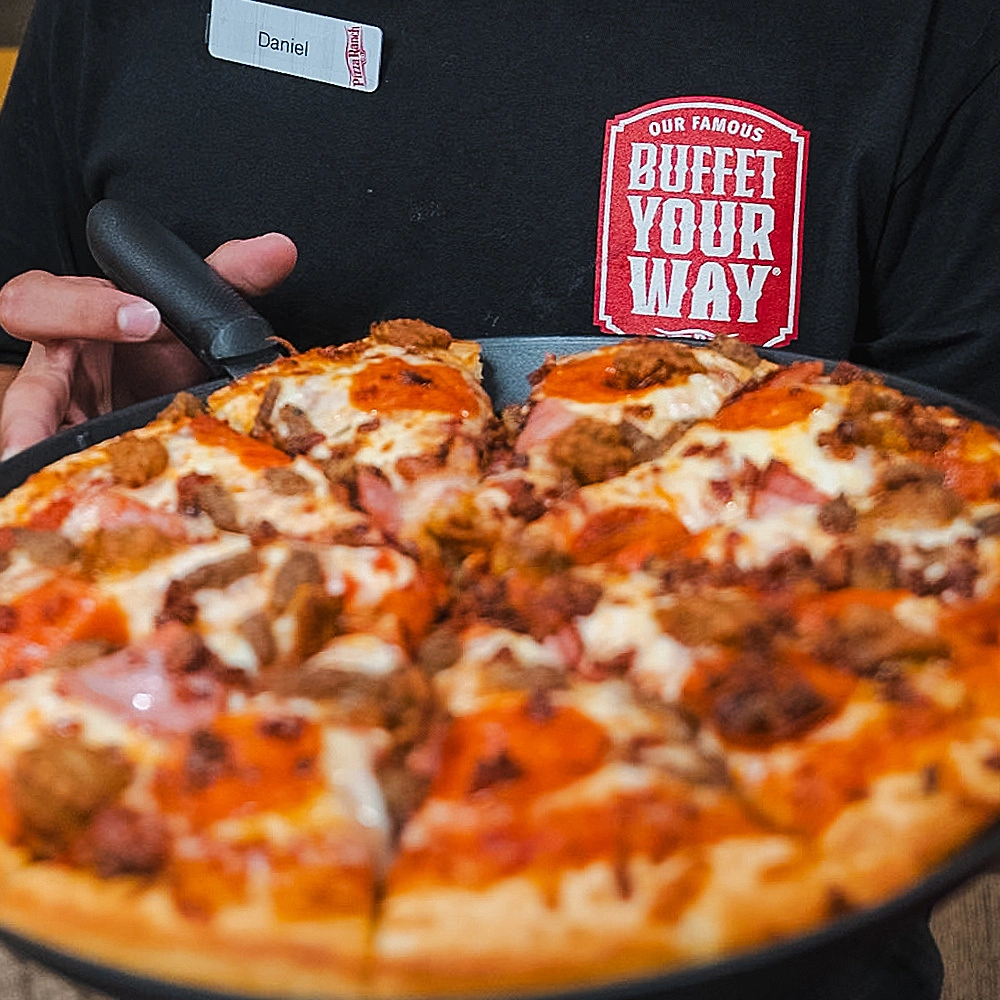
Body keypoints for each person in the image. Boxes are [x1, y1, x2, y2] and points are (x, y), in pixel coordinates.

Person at [0, 0, 997, 997]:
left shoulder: (928, 30)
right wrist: (146, 450)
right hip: (212, 810)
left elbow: (948, 485)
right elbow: (22, 351)